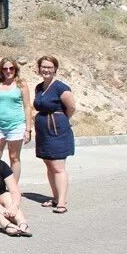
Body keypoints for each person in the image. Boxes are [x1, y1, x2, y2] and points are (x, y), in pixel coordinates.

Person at [33, 55, 75, 214]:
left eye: (50, 67)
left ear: (55, 69)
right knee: (49, 164)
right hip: (43, 130)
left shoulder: (61, 87)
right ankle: (56, 197)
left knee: (58, 166)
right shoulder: (39, 87)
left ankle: (62, 202)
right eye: (43, 67)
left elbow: (71, 107)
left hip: (57, 130)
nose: (46, 70)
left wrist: (61, 120)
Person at [0, 56, 33, 182]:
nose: (8, 71)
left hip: (16, 125)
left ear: (15, 69)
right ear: (1, 70)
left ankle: (13, 187)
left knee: (14, 157)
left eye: (11, 68)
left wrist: (28, 129)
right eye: (5, 68)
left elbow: (27, 107)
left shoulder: (21, 84)